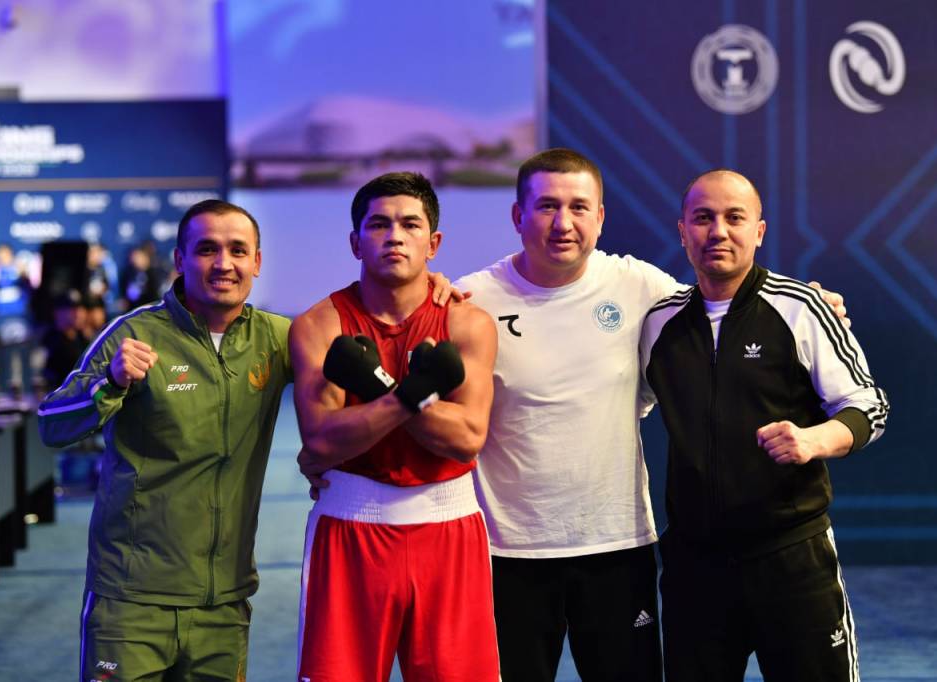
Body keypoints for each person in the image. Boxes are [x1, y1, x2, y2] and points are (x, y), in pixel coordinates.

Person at [455, 149, 851, 681]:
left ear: (600, 217)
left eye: (579, 207)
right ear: (517, 215)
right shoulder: (470, 300)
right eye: (547, 206)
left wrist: (813, 303)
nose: (563, 223)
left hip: (617, 548)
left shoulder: (641, 288)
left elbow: (722, 305)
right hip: (505, 552)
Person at [639, 169, 889, 681]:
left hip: (791, 557)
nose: (718, 231)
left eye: (735, 218)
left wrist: (813, 439)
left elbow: (868, 405)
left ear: (759, 231)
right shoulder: (658, 323)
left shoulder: (802, 308)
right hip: (694, 567)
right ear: (682, 231)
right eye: (703, 218)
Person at [38, 199, 293, 682]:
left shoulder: (277, 339)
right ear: (180, 259)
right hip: (131, 600)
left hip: (224, 601)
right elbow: (52, 423)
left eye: (238, 250)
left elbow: (348, 343)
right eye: (207, 249)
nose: (223, 263)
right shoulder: (135, 333)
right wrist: (110, 383)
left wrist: (430, 290)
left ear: (257, 262)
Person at [290, 171, 500, 681]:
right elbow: (321, 441)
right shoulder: (319, 324)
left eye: (410, 224)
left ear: (433, 243)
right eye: (379, 225)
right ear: (355, 242)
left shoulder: (467, 323)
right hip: (349, 530)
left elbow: (467, 438)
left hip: (450, 528)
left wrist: (378, 390)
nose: (394, 236)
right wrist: (412, 393)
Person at [40, 290, 89, 391]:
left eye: (80, 308)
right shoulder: (49, 340)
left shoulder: (83, 339)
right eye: (71, 309)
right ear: (57, 312)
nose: (78, 313)